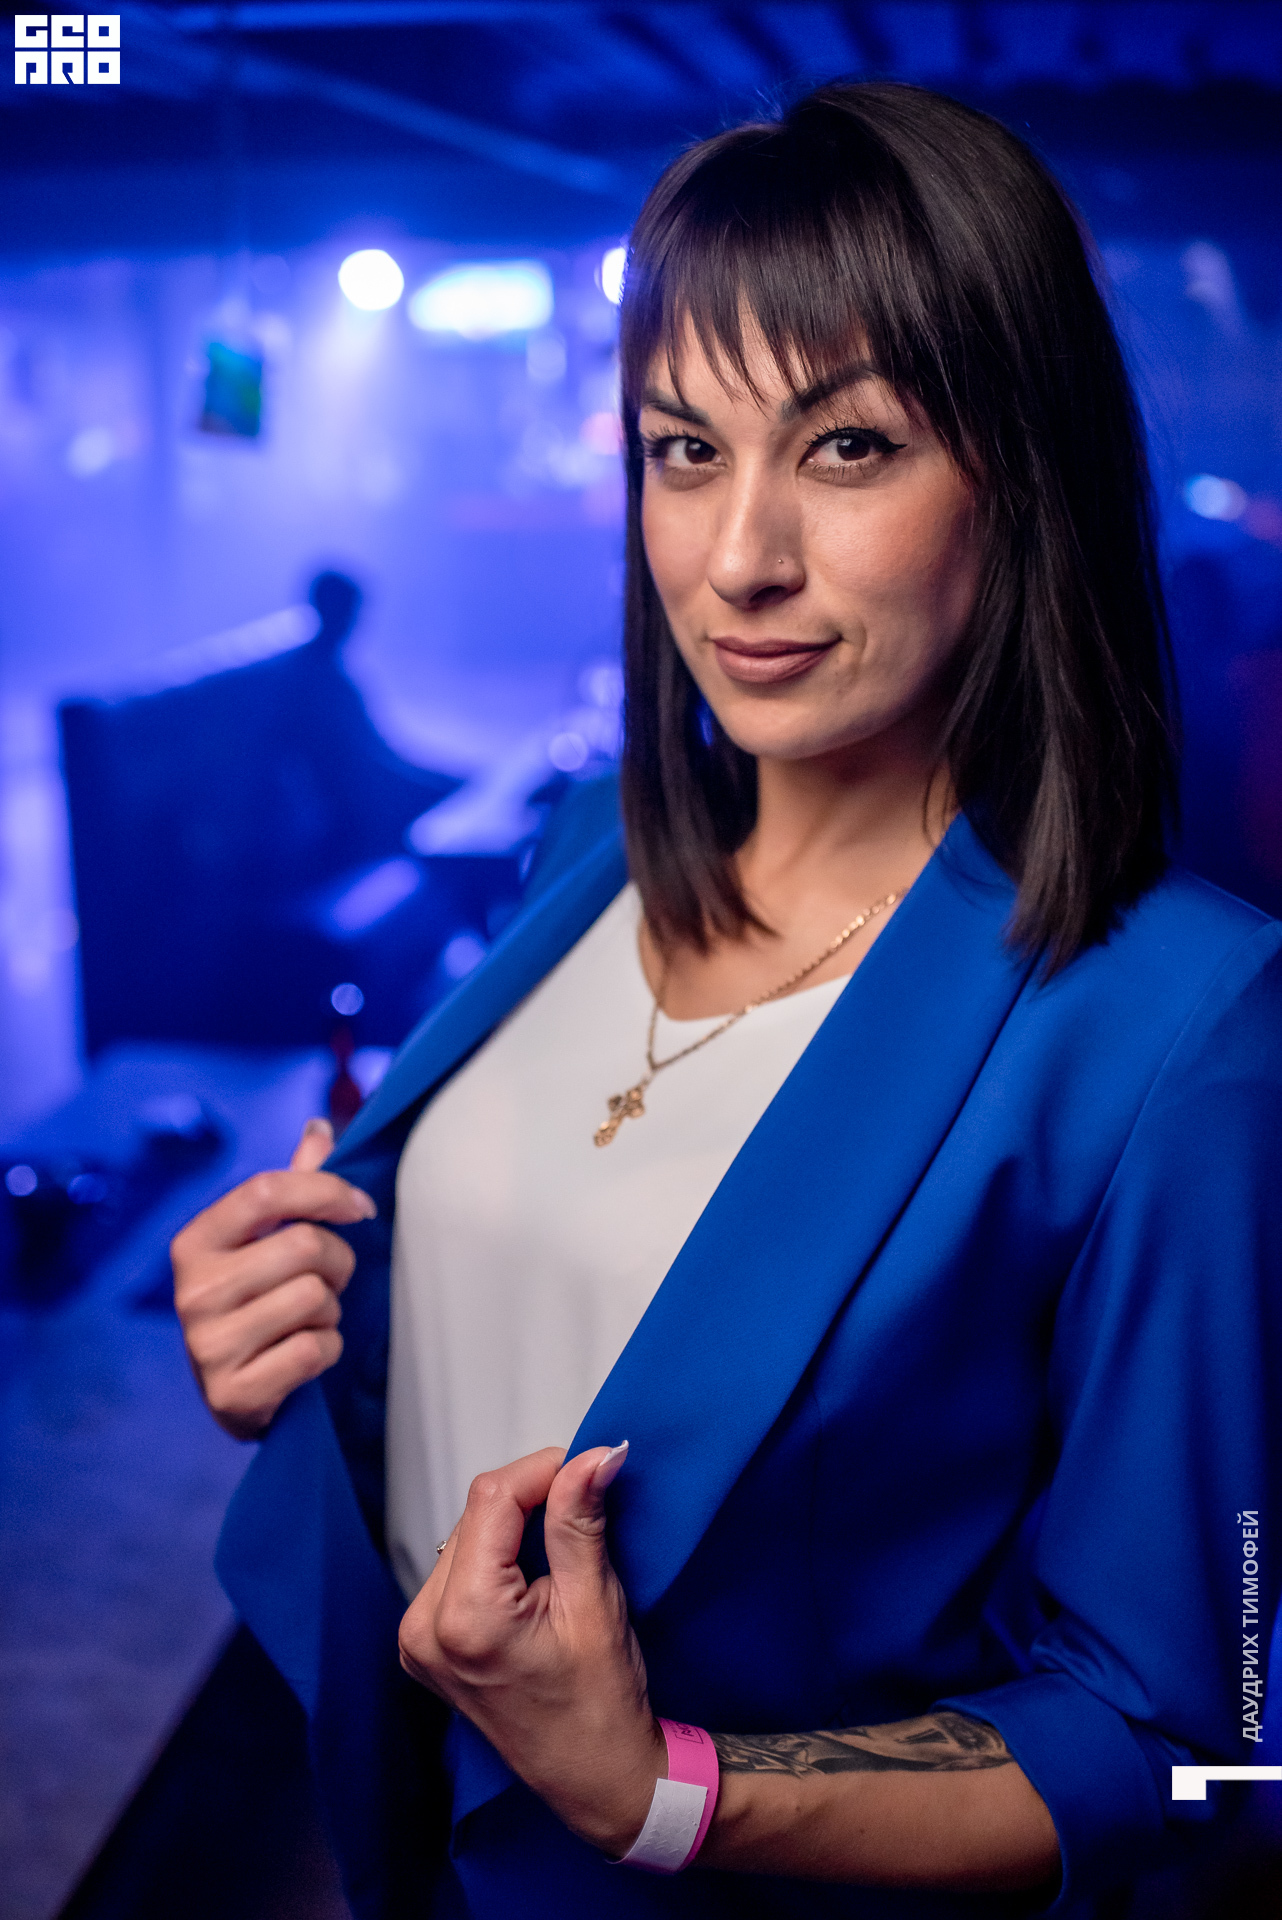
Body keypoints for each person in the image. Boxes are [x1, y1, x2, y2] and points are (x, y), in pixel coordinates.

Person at [171, 82, 1282, 1919]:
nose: (737, 556)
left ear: (1022, 475)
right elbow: (507, 1332)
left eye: (846, 448)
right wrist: (297, 1341)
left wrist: (674, 1793)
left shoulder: (1177, 1025)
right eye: (682, 449)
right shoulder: (584, 849)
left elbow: (1212, 1745)